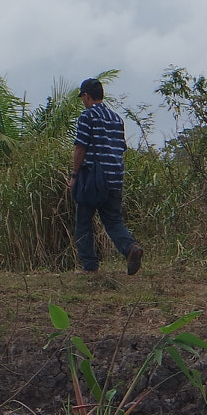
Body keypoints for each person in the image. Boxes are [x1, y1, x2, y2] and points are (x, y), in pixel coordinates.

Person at [67, 77, 143, 275]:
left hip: (93, 177)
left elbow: (80, 147)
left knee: (83, 220)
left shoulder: (87, 116)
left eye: (83, 97)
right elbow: (121, 148)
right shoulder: (117, 118)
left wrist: (74, 175)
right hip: (115, 177)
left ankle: (89, 266)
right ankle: (131, 248)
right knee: (113, 221)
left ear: (86, 96)